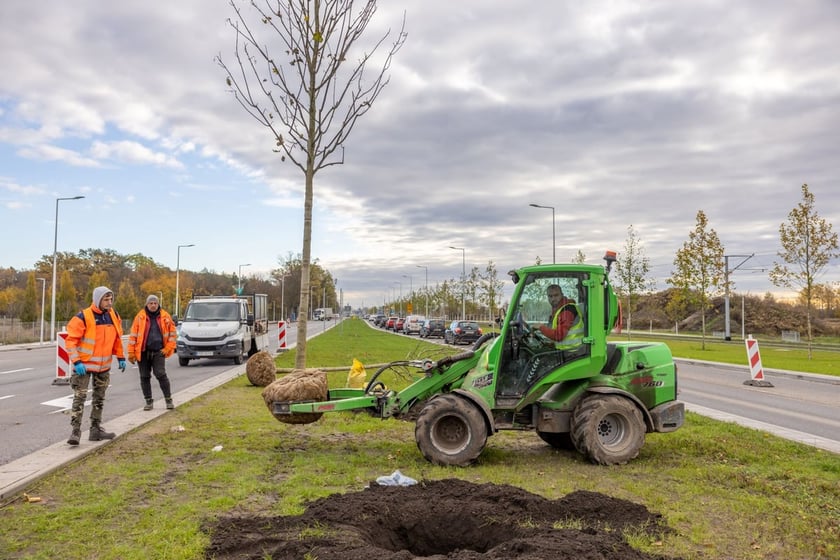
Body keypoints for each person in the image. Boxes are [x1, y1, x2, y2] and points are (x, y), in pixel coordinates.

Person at [65, 286, 126, 445]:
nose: (109, 302)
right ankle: (75, 432)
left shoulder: (114, 316)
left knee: (99, 398)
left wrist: (120, 357)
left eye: (111, 299)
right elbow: (70, 341)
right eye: (106, 299)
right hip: (84, 366)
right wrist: (77, 361)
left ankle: (95, 429)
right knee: (80, 397)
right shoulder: (83, 317)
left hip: (103, 366)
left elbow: (118, 339)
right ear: (98, 299)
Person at [127, 294, 177, 411]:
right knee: (144, 376)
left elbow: (172, 335)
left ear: (158, 304)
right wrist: (131, 352)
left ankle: (168, 399)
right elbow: (133, 335)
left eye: (155, 303)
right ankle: (148, 401)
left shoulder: (165, 317)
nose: (153, 305)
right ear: (147, 304)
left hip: (159, 351)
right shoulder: (140, 317)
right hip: (143, 352)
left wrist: (168, 348)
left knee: (160, 374)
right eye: (151, 303)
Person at [538, 284, 584, 352]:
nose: (553, 299)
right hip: (566, 351)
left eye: (556, 295)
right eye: (550, 296)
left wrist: (540, 327)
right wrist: (552, 344)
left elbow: (559, 335)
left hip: (573, 352)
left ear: (562, 295)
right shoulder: (558, 311)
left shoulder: (567, 310)